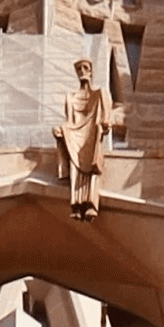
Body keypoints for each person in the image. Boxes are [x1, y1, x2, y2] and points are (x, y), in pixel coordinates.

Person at [55, 58, 118, 218]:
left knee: (92, 165)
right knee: (75, 164)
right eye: (79, 69)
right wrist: (61, 130)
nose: (82, 71)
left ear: (91, 70)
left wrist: (105, 124)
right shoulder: (71, 97)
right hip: (76, 136)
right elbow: (69, 121)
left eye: (85, 67)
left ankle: (90, 202)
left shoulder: (100, 94)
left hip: (92, 135)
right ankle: (76, 204)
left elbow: (106, 116)